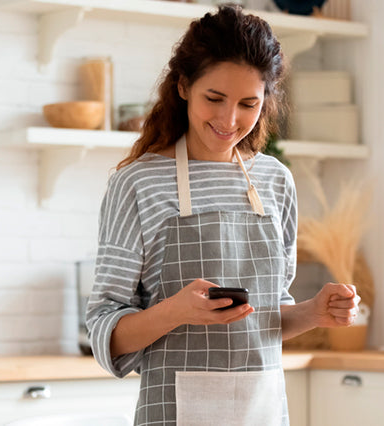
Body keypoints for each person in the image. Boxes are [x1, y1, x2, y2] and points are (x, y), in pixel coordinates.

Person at [86, 5, 360, 425]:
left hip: (261, 413)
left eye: (248, 104)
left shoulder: (275, 181)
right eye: (214, 98)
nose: (229, 120)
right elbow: (105, 329)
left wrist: (314, 312)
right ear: (183, 86)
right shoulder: (138, 184)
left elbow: (263, 320)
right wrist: (176, 311)